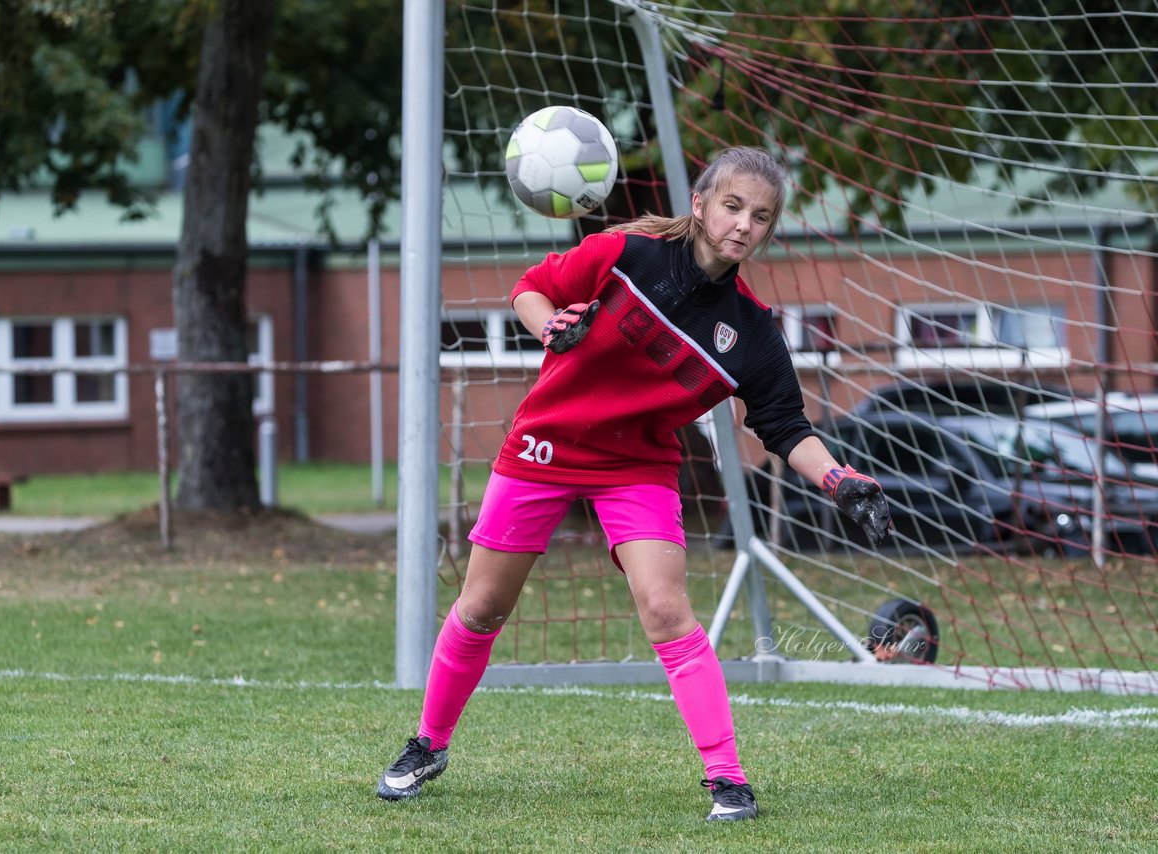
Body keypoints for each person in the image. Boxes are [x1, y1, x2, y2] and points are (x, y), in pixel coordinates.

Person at [376, 146, 891, 821]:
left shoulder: (754, 333)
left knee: (666, 609)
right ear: (701, 203)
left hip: (637, 467)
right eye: (733, 206)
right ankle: (428, 743)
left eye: (760, 217)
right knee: (482, 609)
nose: (743, 224)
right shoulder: (627, 251)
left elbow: (786, 427)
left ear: (768, 230)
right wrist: (551, 327)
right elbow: (531, 289)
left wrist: (839, 479)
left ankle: (728, 781)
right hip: (546, 443)